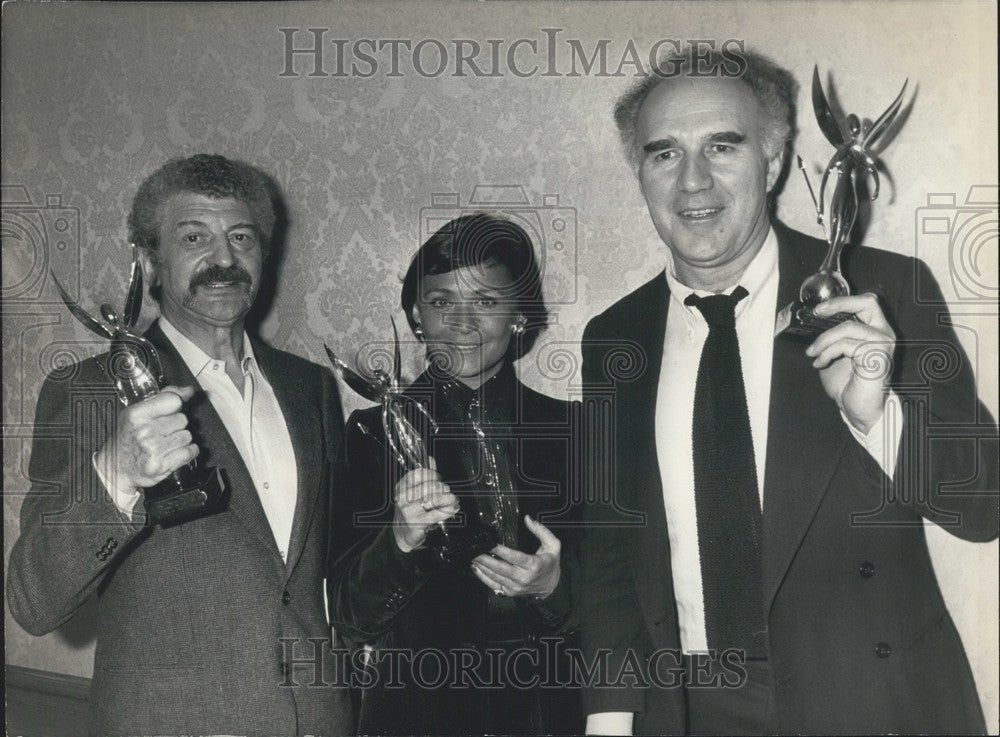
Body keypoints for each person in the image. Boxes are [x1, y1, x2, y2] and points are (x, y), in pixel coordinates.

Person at [577, 49, 999, 735]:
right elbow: (611, 553)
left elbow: (985, 506)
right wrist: (609, 719)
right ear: (640, 173)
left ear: (773, 160)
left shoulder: (881, 290)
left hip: (870, 703)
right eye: (664, 154)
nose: (693, 181)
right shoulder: (613, 337)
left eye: (722, 146)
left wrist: (879, 417)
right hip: (685, 710)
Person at [6, 154, 352, 736]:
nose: (224, 259)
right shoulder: (89, 389)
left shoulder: (309, 387)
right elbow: (33, 600)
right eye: (194, 237)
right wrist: (115, 472)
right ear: (149, 262)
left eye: (241, 237)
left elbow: (319, 577)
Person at [328, 213, 582, 736]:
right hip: (416, 716)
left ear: (519, 315)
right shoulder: (371, 434)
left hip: (551, 714)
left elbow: (624, 601)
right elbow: (347, 618)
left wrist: (556, 586)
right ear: (416, 316)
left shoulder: (572, 430)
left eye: (486, 302)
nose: (461, 322)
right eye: (441, 301)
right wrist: (397, 541)